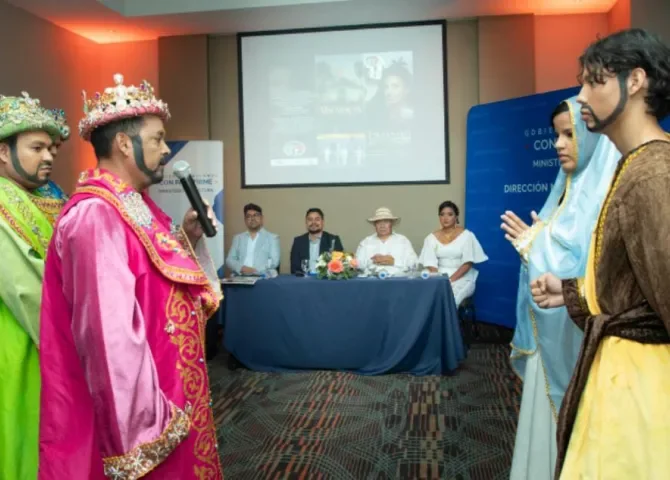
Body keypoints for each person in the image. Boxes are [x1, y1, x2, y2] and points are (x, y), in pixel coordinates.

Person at [38, 74, 224, 479]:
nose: (165, 150)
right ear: (125, 144)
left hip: (170, 390)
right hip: (145, 415)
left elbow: (155, 279)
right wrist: (146, 430)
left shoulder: (134, 205)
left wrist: (188, 238)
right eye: (157, 139)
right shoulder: (96, 215)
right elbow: (109, 335)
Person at [530, 29, 670, 479]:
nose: (581, 94)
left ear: (635, 82)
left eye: (595, 81)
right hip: (623, 380)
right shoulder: (637, 165)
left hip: (642, 394)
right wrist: (569, 291)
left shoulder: (652, 174)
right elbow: (634, 290)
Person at [502, 98, 619, 479]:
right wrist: (535, 248)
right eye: (556, 135)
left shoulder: (605, 194)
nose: (557, 144)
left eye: (569, 134)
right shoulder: (565, 190)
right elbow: (552, 256)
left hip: (579, 338)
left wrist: (535, 246)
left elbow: (594, 266)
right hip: (549, 333)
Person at [0, 92, 62, 480]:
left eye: (51, 147)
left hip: (46, 339)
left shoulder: (48, 196)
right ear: (3, 153)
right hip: (20, 341)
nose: (49, 156)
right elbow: (25, 289)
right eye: (36, 147)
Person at [419, 200, 487, 306]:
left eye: (450, 214)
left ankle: (448, 322)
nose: (445, 218)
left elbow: (468, 263)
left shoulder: (467, 236)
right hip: (438, 275)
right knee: (425, 295)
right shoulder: (431, 238)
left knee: (450, 298)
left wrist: (449, 280)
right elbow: (430, 263)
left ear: (456, 217)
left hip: (462, 276)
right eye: (442, 215)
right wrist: (440, 280)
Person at [355, 207, 417, 275]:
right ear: (374, 225)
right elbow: (356, 265)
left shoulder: (403, 241)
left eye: (386, 222)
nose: (382, 226)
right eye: (379, 222)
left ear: (391, 223)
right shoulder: (366, 242)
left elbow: (414, 264)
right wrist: (372, 261)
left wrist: (394, 262)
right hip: (372, 281)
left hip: (397, 281)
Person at [226, 203, 280, 275]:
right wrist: (242, 268)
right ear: (245, 220)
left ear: (262, 218)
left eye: (256, 215)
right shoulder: (238, 238)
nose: (252, 218)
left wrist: (254, 270)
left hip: (263, 277)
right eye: (249, 216)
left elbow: (274, 262)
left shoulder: (272, 238)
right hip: (240, 276)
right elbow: (229, 260)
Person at [290, 207, 344, 274]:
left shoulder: (333, 240)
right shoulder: (298, 242)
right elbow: (294, 269)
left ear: (322, 222)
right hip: (304, 281)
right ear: (306, 222)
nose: (313, 222)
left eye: (317, 219)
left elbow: (339, 267)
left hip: (326, 282)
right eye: (310, 219)